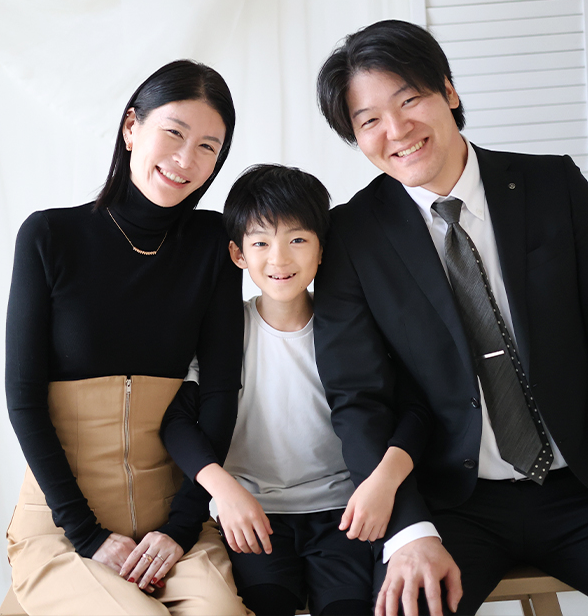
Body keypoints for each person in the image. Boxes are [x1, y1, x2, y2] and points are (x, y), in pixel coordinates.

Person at [312, 20, 588, 616]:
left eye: (409, 100)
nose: (397, 130)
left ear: (449, 91)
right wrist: (408, 532)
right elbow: (358, 400)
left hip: (586, 493)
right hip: (450, 506)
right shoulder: (351, 235)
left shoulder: (552, 185)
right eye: (369, 121)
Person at [2, 60, 249, 615]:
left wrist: (182, 528)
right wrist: (88, 535)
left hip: (172, 527)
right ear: (132, 126)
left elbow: (218, 393)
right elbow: (23, 399)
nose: (186, 160)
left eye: (208, 147)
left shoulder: (213, 243)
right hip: (65, 526)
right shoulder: (49, 235)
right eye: (174, 133)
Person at [181, 163, 430, 616]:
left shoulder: (356, 327)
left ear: (321, 249)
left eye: (297, 240)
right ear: (238, 253)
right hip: (253, 513)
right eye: (261, 242)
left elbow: (416, 410)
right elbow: (177, 422)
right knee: (266, 602)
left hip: (346, 511)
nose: (279, 259)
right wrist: (224, 492)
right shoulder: (221, 331)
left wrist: (383, 481)